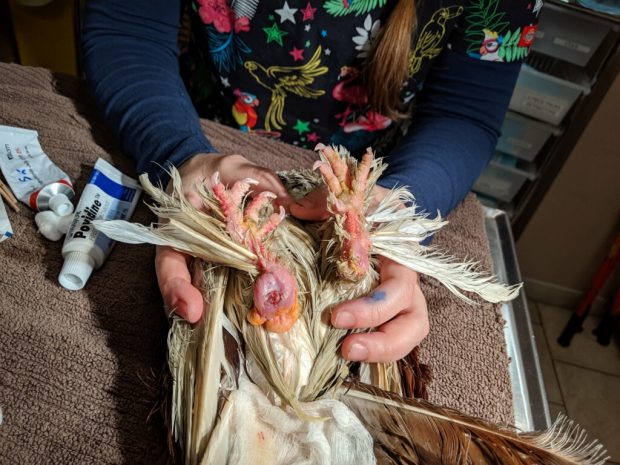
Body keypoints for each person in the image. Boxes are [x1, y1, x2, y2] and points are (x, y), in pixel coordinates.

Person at [82, 0, 539, 363]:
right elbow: (128, 33)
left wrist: (400, 206)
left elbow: (465, 112)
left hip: (376, 164)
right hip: (198, 123)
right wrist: (180, 154)